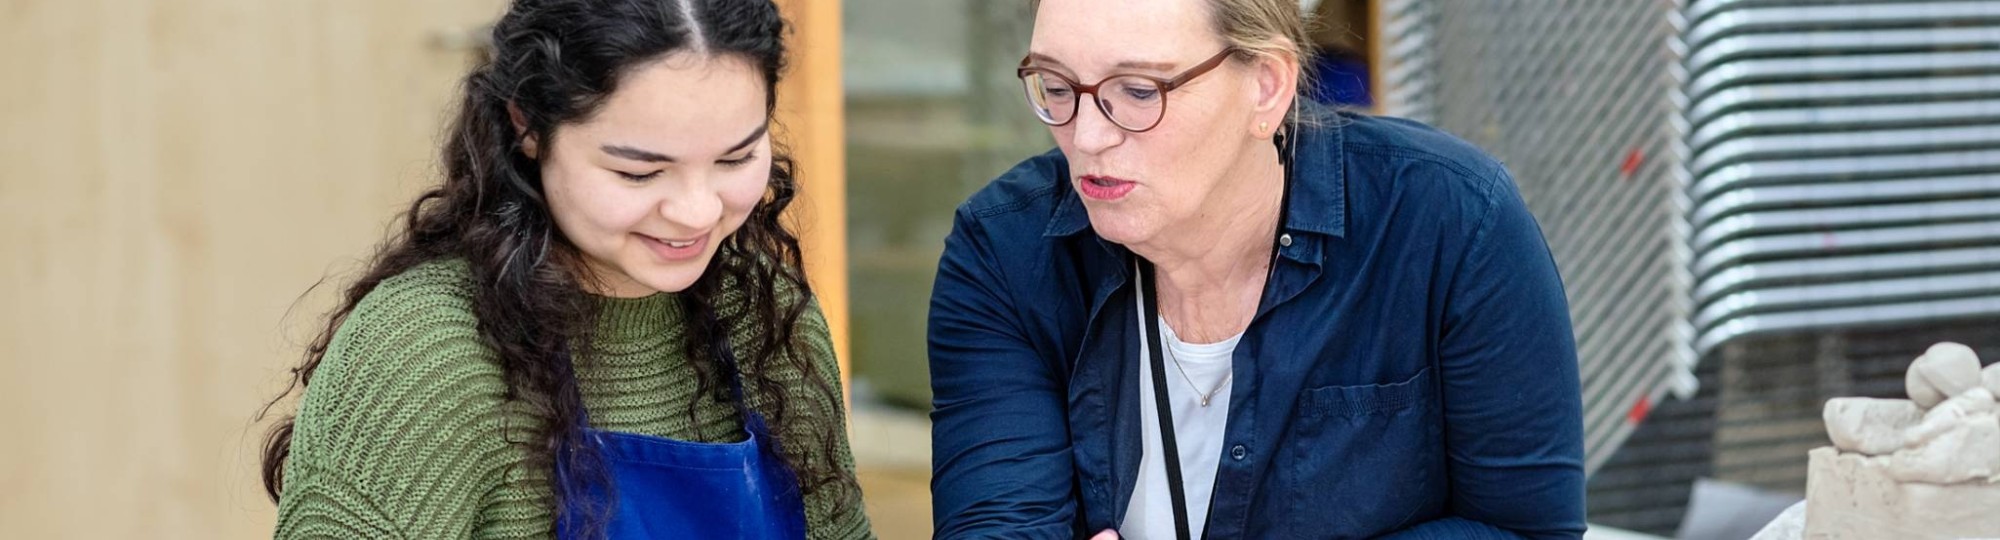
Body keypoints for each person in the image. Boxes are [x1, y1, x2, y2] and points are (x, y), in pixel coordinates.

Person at [927, 0, 1586, 538]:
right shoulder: (1004, 250)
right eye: (1058, 86)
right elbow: (995, 524)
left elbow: (1526, 529)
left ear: (1267, 86)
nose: (1089, 137)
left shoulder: (1450, 218)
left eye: (1137, 91)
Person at [257, 1, 872, 538]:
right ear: (529, 127)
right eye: (638, 172)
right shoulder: (423, 352)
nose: (696, 211)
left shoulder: (764, 314)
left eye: (736, 158)